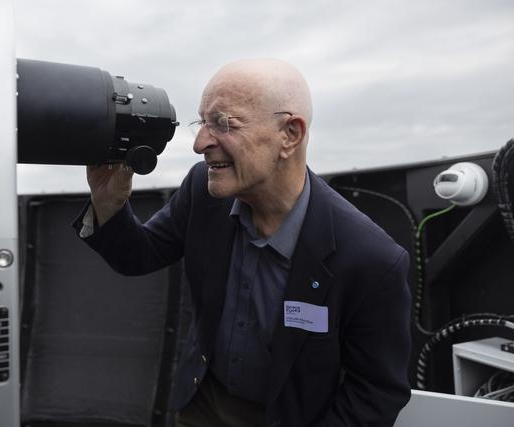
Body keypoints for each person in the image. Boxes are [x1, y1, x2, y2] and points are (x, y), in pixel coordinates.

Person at [74, 59, 412, 427]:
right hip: (202, 405)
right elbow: (138, 256)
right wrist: (108, 201)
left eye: (223, 123)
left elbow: (375, 393)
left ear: (290, 135)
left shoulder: (370, 259)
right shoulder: (204, 193)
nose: (201, 143)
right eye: (202, 122)